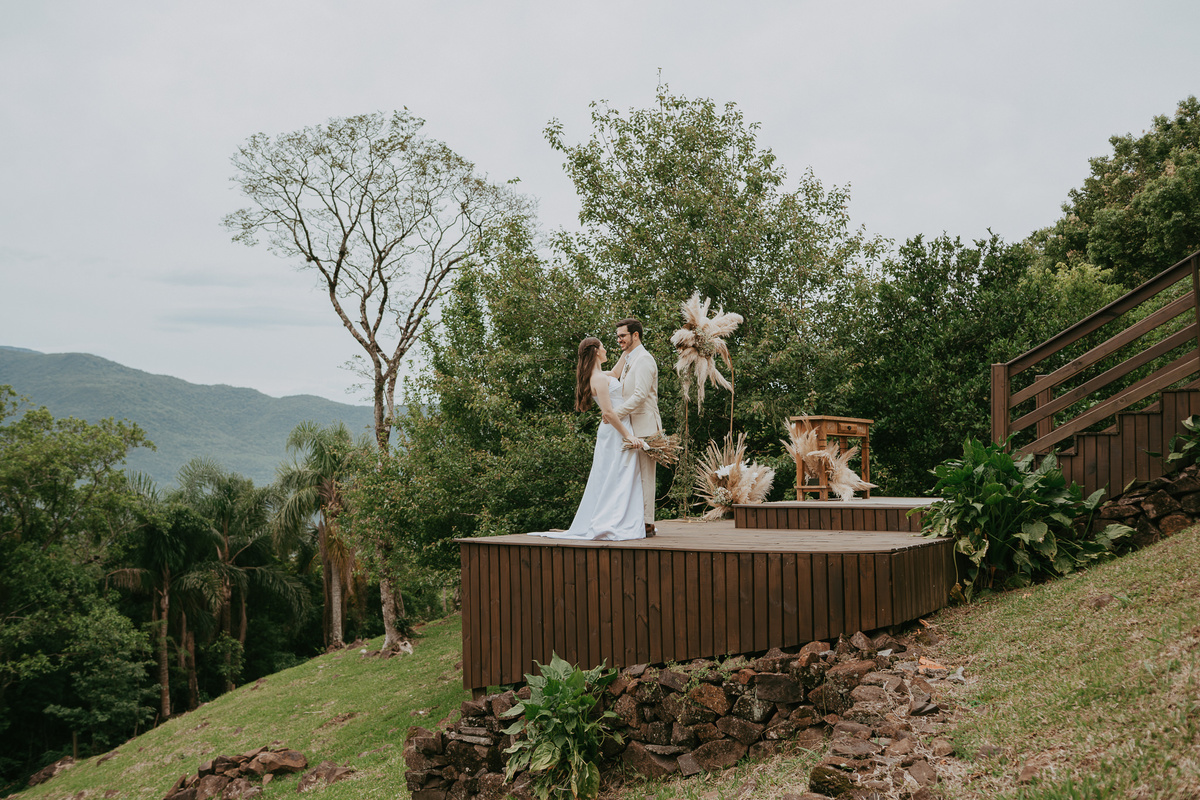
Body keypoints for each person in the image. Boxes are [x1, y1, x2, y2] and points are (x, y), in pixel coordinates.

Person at [529, 336, 647, 540]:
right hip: (616, 431)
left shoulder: (602, 375)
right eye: (603, 348)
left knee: (619, 475)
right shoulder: (599, 379)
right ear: (595, 352)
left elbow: (618, 371)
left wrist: (628, 348)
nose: (606, 350)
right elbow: (609, 413)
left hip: (616, 429)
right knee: (618, 475)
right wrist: (629, 436)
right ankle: (614, 521)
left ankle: (622, 518)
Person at [613, 317, 662, 537]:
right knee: (632, 476)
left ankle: (648, 523)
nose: (619, 340)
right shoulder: (629, 357)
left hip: (645, 426)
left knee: (645, 476)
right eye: (617, 336)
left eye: (622, 335)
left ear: (635, 335)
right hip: (631, 427)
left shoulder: (644, 359)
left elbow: (640, 396)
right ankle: (635, 520)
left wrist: (614, 415)